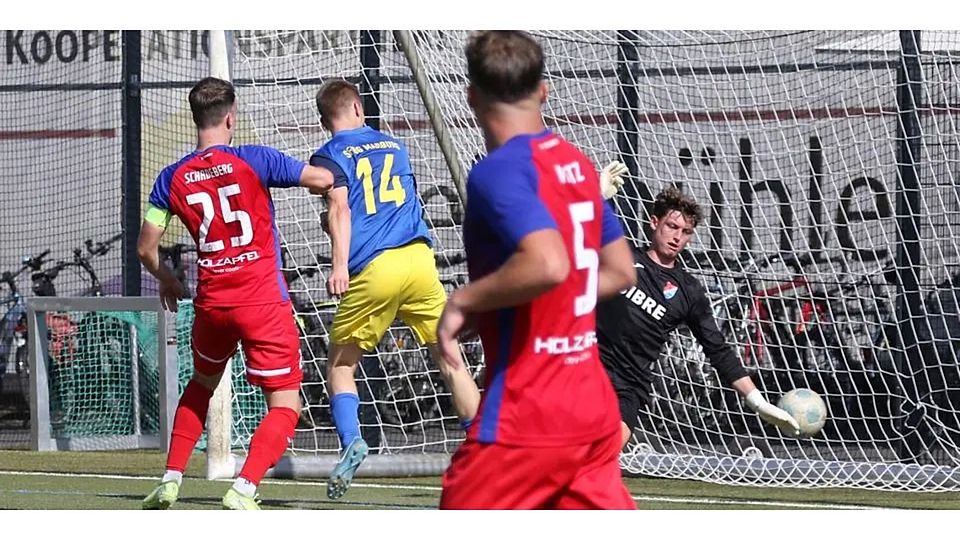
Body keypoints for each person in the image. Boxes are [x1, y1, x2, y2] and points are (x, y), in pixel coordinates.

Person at [435, 31, 638, 510]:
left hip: (529, 413)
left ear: (471, 97)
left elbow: (547, 263)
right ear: (543, 91)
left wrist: (463, 301)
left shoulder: (497, 171)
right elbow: (620, 271)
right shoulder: (575, 162)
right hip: (592, 406)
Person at [138, 77, 335, 510]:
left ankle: (171, 479)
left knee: (202, 383)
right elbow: (320, 179)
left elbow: (145, 247)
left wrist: (168, 279)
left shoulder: (171, 178)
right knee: (286, 404)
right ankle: (244, 487)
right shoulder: (256, 160)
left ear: (196, 119)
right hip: (262, 301)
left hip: (212, 304)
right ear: (231, 117)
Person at [308, 79, 481, 500]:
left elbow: (340, 208)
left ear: (324, 118)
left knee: (340, 365)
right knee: (449, 356)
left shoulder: (330, 155)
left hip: (375, 267)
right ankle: (483, 446)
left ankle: (352, 441)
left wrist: (337, 265)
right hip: (420, 259)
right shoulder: (393, 145)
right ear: (357, 108)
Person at [596, 186, 801, 448]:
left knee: (603, 453)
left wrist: (759, 403)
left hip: (629, 385)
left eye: (685, 232)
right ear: (654, 222)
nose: (677, 237)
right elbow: (573, 235)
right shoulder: (622, 258)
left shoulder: (689, 291)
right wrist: (597, 196)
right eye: (672, 226)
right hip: (588, 368)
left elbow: (718, 350)